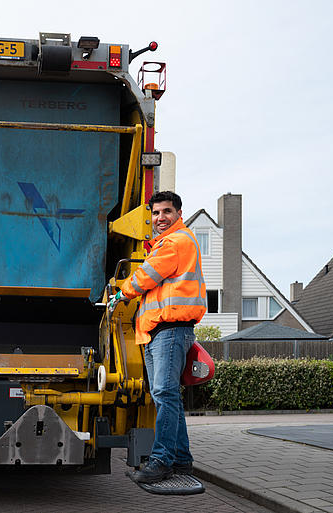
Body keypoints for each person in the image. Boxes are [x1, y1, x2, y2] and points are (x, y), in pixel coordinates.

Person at [108, 190, 207, 484]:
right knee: (167, 396)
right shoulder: (168, 243)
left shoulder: (175, 242)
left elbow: (146, 275)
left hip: (171, 330)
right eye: (156, 213)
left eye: (166, 212)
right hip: (159, 331)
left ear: (178, 213)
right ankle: (182, 460)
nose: (160, 218)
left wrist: (120, 294)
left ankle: (162, 461)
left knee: (165, 395)